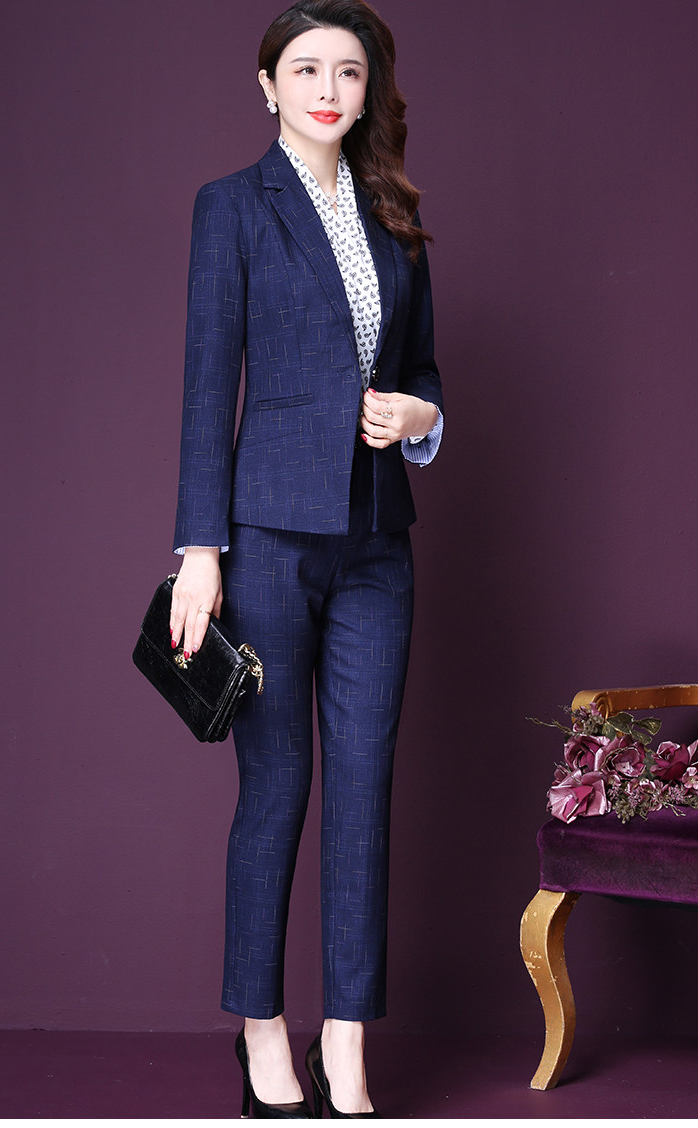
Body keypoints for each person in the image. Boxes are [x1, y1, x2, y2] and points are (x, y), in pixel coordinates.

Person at [169, 0, 443, 1116]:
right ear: (268, 86)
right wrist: (201, 551)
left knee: (364, 794)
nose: (328, 89)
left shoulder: (396, 217)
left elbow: (427, 373)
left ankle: (347, 1042)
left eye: (349, 71)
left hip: (377, 545)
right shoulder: (231, 207)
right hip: (270, 541)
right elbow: (207, 388)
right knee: (277, 788)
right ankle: (261, 1030)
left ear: (371, 90)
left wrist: (419, 418)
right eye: (305, 69)